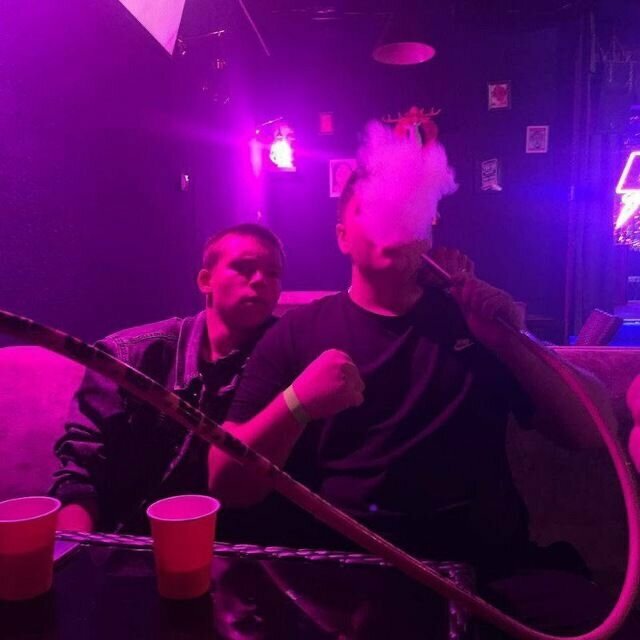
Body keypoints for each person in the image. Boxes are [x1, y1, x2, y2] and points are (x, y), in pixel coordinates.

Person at [207, 176, 638, 637]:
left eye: (406, 213)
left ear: (426, 237)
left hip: (490, 568)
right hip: (351, 571)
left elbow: (591, 429)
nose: (392, 223)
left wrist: (509, 341)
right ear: (343, 237)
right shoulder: (297, 333)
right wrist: (296, 403)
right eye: (373, 210)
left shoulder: (473, 322)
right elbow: (226, 482)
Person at [51, 223, 284, 534]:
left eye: (273, 273)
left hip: (238, 546)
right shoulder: (128, 355)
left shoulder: (287, 359)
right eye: (244, 268)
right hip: (126, 541)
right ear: (206, 281)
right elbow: (79, 471)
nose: (260, 280)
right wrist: (79, 549)